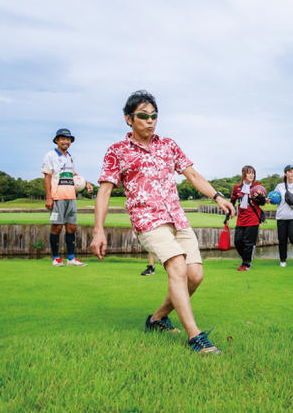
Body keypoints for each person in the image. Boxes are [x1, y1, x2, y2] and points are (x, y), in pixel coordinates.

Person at [90, 90, 236, 356]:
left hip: (177, 217)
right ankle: (195, 337)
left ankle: (156, 319)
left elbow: (191, 173)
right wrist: (98, 230)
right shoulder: (117, 151)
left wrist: (217, 196)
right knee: (177, 267)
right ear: (129, 119)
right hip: (147, 220)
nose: (150, 121)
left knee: (195, 275)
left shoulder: (168, 145)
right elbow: (105, 191)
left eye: (154, 116)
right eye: (143, 116)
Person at [41, 128, 94, 267]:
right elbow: (47, 177)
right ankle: (56, 259)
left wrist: (87, 182)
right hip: (57, 197)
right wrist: (49, 197)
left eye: (68, 139)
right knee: (57, 228)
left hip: (71, 198)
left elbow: (73, 174)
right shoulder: (51, 155)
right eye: (62, 139)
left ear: (70, 142)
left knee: (71, 228)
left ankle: (71, 259)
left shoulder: (69, 156)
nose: (66, 141)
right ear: (57, 140)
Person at [230, 165, 266, 271]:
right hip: (241, 219)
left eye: (253, 173)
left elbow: (262, 203)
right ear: (244, 174)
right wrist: (228, 214)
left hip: (253, 219)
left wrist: (260, 198)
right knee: (237, 242)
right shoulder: (237, 187)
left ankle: (246, 264)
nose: (251, 175)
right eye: (249, 173)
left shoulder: (257, 187)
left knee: (248, 243)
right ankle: (247, 259)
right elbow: (232, 201)